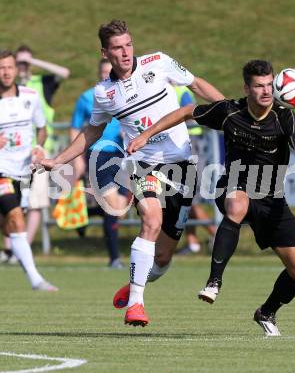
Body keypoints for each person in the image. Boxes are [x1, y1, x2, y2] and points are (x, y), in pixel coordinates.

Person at [37, 19, 224, 326]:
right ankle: (135, 305)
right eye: (117, 48)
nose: (125, 53)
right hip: (142, 164)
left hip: (183, 165)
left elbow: (196, 84)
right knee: (151, 218)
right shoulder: (104, 93)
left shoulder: (159, 62)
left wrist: (230, 110)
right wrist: (60, 159)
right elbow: (92, 130)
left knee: (162, 259)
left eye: (128, 45)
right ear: (105, 52)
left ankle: (136, 283)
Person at [126, 59, 295, 336]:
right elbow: (186, 112)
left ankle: (266, 312)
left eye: (269, 85)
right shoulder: (230, 111)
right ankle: (214, 281)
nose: (266, 91)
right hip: (233, 185)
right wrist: (146, 134)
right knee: (237, 204)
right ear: (247, 88)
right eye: (258, 86)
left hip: (271, 197)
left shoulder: (285, 117)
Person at [0, 49, 58, 291]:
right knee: (15, 218)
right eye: (1, 68)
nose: (5, 72)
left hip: (24, 171)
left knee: (12, 223)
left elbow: (42, 128)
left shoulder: (31, 96)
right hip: (1, 170)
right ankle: (36, 279)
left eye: (9, 67)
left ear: (17, 69)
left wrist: (38, 146)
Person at [70, 58, 130, 269]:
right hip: (98, 155)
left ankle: (84, 216)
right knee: (113, 207)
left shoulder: (125, 95)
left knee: (119, 210)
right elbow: (75, 129)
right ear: (99, 73)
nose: (107, 75)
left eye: (110, 72)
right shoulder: (87, 98)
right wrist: (77, 160)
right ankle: (114, 258)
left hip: (123, 156)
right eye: (103, 72)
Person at [15, 45, 70, 246]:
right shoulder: (8, 87)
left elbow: (64, 73)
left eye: (24, 62)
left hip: (38, 150)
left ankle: (24, 247)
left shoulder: (41, 83)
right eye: (18, 63)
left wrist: (32, 62)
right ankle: (11, 247)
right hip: (12, 150)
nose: (22, 66)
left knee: (35, 202)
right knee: (10, 201)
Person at [173, 85, 216, 255]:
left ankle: (217, 235)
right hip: (180, 147)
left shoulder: (181, 91)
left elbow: (191, 116)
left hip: (189, 145)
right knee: (185, 198)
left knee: (190, 200)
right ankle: (192, 242)